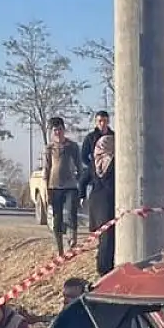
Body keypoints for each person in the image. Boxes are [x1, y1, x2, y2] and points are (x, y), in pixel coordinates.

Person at [44, 116, 85, 255]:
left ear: (64, 129)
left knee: (70, 214)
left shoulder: (72, 146)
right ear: (52, 132)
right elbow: (47, 169)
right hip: (54, 187)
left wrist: (79, 181)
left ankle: (72, 241)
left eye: (60, 129)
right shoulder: (49, 148)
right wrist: (46, 190)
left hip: (70, 186)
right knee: (57, 218)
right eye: (55, 130)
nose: (58, 132)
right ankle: (59, 248)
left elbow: (79, 166)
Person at [87, 133, 118, 276]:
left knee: (104, 239)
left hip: (96, 203)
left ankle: (103, 269)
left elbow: (83, 179)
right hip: (106, 203)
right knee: (107, 239)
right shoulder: (114, 160)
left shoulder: (95, 161)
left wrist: (82, 196)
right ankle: (104, 270)